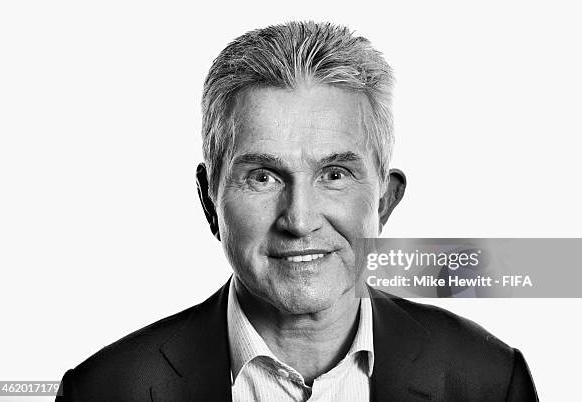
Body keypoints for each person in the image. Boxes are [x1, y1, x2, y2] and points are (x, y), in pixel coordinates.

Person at [56, 21, 538, 401]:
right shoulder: (105, 390)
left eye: (334, 174)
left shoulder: (489, 381)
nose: (300, 220)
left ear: (385, 201)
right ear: (209, 200)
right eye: (263, 176)